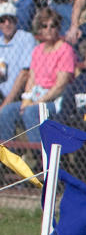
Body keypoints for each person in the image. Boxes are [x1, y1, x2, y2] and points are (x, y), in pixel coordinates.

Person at [0, 8, 75, 141]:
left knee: (31, 112)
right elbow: (31, 79)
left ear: (58, 28)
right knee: (7, 111)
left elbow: (59, 86)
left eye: (53, 26)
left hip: (55, 100)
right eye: (44, 26)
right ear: (39, 29)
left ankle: (40, 156)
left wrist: (37, 103)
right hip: (35, 97)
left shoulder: (65, 50)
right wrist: (26, 100)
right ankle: (8, 157)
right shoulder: (38, 50)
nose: (49, 29)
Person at [0, 1, 37, 138]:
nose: (7, 24)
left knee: (5, 112)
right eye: (2, 20)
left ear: (16, 21)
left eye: (10, 19)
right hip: (1, 95)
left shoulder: (25, 38)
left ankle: (6, 157)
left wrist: (5, 104)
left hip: (18, 96)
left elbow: (24, 75)